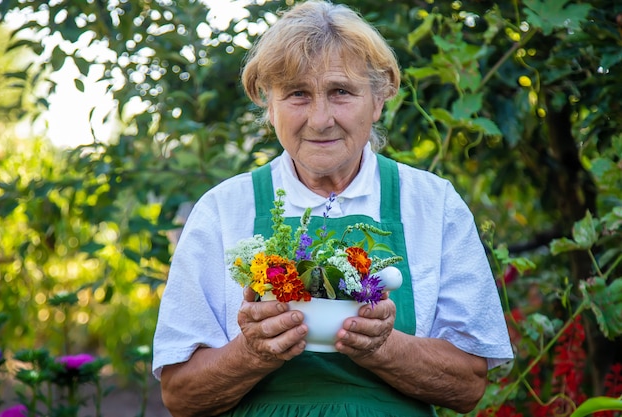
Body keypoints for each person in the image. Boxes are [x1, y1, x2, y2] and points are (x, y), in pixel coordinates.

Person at [152, 1, 513, 416]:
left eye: (341, 92)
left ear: (378, 100)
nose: (321, 119)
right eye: (297, 94)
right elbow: (180, 396)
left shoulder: (433, 204)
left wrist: (381, 345)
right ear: (269, 107)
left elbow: (467, 386)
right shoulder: (222, 210)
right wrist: (253, 353)